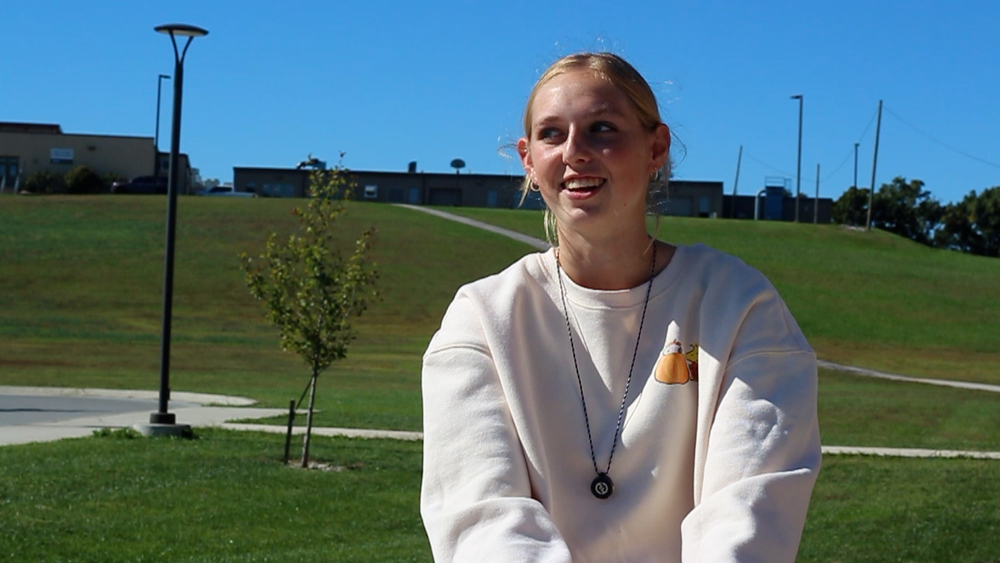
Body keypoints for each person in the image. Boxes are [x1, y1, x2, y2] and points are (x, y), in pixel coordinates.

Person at [420, 52, 821, 562]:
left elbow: (748, 517)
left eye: (601, 128)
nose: (574, 153)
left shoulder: (739, 305)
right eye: (551, 134)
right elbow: (483, 522)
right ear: (527, 158)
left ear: (656, 148)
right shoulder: (482, 319)